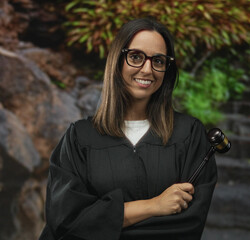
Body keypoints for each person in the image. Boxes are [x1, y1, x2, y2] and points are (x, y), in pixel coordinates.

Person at [39, 17, 217, 240]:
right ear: (117, 60)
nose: (147, 69)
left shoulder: (188, 134)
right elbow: (66, 221)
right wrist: (153, 206)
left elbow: (187, 226)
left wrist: (104, 224)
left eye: (158, 61)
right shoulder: (80, 137)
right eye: (135, 57)